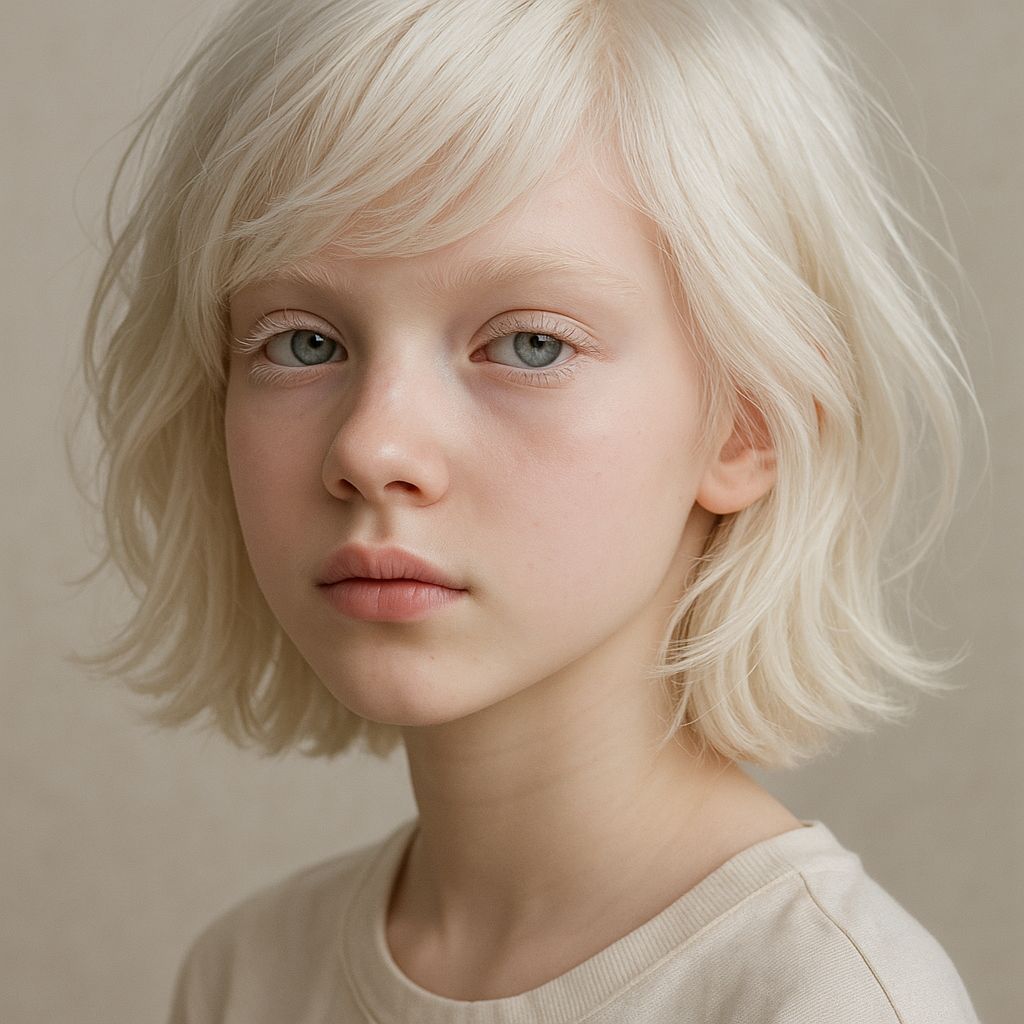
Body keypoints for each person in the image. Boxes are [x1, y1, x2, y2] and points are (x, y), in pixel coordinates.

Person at [68, 0, 985, 1020]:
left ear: (745, 426)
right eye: (303, 341)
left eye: (529, 344)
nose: (371, 448)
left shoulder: (823, 999)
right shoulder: (243, 976)